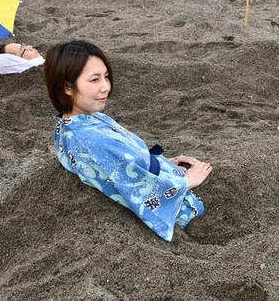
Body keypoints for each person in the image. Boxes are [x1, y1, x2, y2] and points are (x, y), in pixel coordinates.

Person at [44, 40, 212, 241]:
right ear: (67, 87)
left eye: (106, 77)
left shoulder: (76, 122)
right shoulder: (91, 139)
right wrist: (187, 182)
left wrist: (161, 163)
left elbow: (120, 163)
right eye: (94, 80)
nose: (105, 87)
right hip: (181, 212)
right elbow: (139, 190)